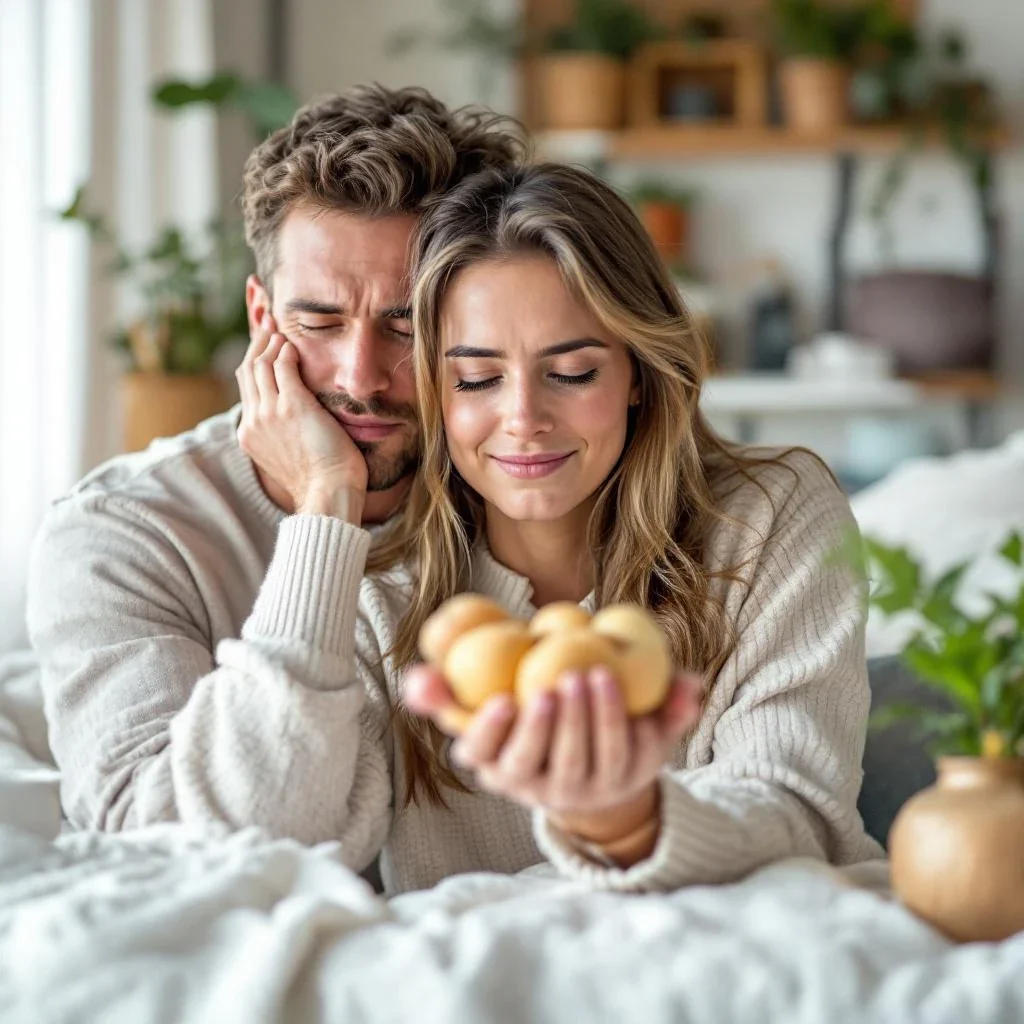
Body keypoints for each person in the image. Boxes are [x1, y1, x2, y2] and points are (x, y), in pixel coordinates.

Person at [236, 161, 884, 895]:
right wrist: (323, 501)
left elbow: (803, 816)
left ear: (638, 371)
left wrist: (624, 819)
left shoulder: (770, 516)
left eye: (572, 372)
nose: (523, 420)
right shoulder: (374, 589)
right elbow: (263, 844)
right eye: (477, 379)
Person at [26, 85, 525, 837]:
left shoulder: (533, 489)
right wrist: (327, 506)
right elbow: (163, 842)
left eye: (408, 324)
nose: (359, 375)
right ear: (261, 316)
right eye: (319, 321)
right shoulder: (119, 535)